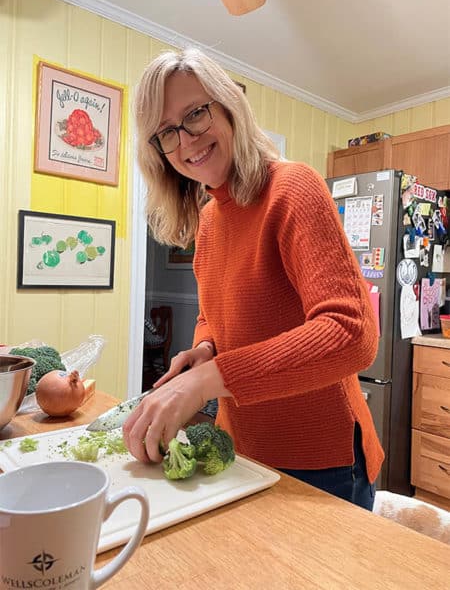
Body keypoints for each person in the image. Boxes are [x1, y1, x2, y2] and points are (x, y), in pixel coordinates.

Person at [123, 47, 384, 511]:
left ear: (229, 108)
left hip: (323, 461)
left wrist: (204, 383)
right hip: (240, 448)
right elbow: (213, 315)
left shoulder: (292, 187)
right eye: (166, 132)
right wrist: (204, 351)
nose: (186, 141)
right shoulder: (208, 221)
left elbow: (352, 334)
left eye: (195, 114)